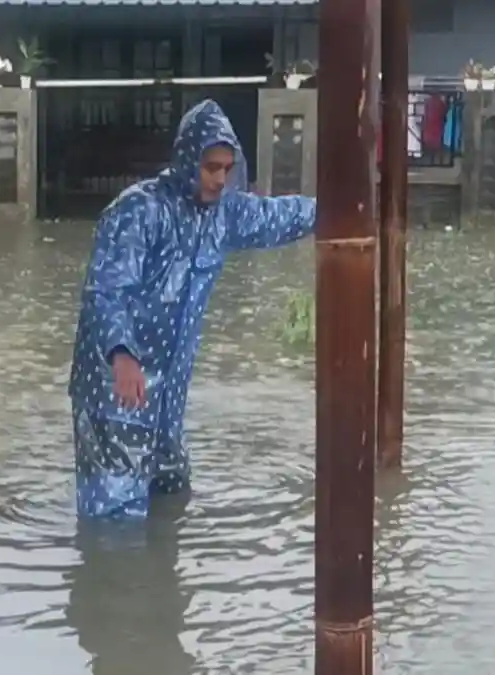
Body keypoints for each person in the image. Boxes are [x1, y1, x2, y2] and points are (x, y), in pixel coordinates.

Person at [69, 99, 317, 519]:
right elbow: (106, 291)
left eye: (226, 168)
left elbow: (281, 216)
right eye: (211, 168)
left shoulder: (226, 214)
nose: (220, 179)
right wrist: (122, 354)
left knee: (170, 498)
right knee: (116, 522)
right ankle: (109, 581)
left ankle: (163, 581)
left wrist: (346, 208)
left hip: (167, 400)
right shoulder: (140, 211)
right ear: (187, 161)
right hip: (115, 395)